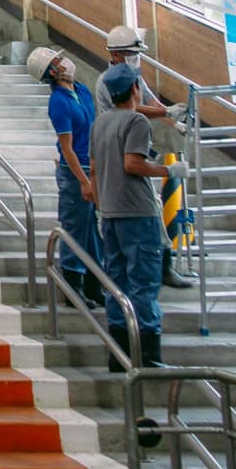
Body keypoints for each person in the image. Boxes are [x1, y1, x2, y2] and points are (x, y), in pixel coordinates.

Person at [90, 63, 175, 395]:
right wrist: (169, 171)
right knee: (143, 282)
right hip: (137, 212)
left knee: (117, 282)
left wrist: (100, 207)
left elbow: (95, 169)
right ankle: (148, 355)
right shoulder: (136, 121)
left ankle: (119, 352)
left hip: (109, 212)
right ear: (135, 90)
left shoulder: (100, 122)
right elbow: (133, 164)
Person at [97, 25, 192, 291]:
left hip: (130, 156)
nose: (134, 58)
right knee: (147, 211)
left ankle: (159, 268)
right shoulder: (111, 87)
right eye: (130, 53)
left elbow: (148, 102)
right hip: (123, 160)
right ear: (115, 54)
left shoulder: (132, 83)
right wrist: (169, 171)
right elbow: (138, 108)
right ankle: (158, 269)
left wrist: (174, 122)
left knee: (149, 209)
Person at [27, 47, 103, 308]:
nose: (65, 62)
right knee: (74, 228)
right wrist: (83, 180)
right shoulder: (58, 102)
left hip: (92, 166)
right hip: (74, 173)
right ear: (52, 71)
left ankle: (95, 283)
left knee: (91, 228)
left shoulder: (81, 91)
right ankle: (73, 285)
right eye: (58, 61)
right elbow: (67, 147)